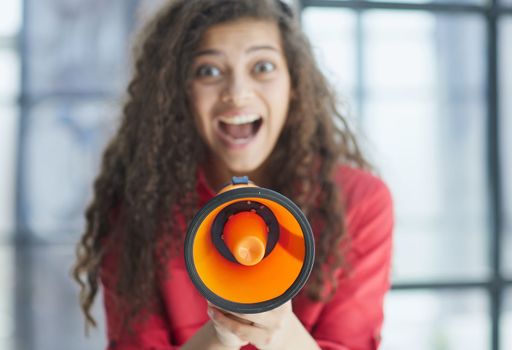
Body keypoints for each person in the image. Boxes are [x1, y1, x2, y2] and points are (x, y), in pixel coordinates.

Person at [73, 0, 394, 349]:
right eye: (208, 71)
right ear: (180, 92)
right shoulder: (139, 205)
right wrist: (221, 334)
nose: (237, 93)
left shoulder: (358, 201)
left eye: (263, 66)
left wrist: (279, 328)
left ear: (295, 84)